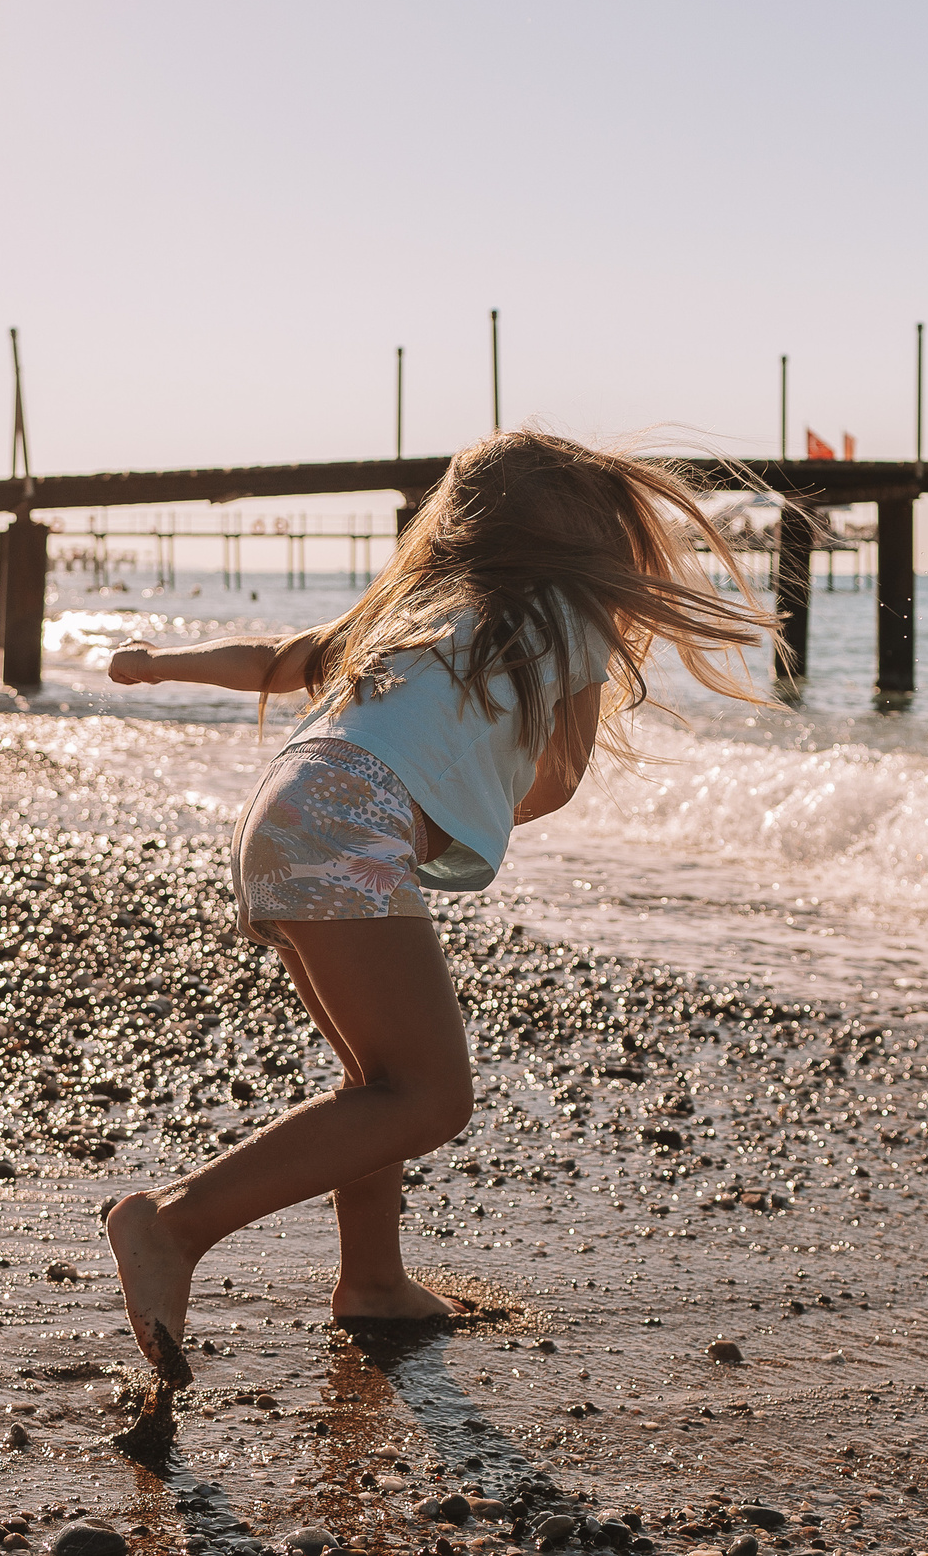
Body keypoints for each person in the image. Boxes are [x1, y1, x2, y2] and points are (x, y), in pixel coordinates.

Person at [100, 430, 774, 1384]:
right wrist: (474, 804)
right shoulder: (570, 614)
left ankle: (373, 1282)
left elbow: (272, 660)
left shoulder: (408, 608)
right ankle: (173, 1223)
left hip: (281, 808)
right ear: (585, 534)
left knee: (376, 1086)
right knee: (429, 1096)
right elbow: (562, 776)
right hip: (352, 826)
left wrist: (160, 663)